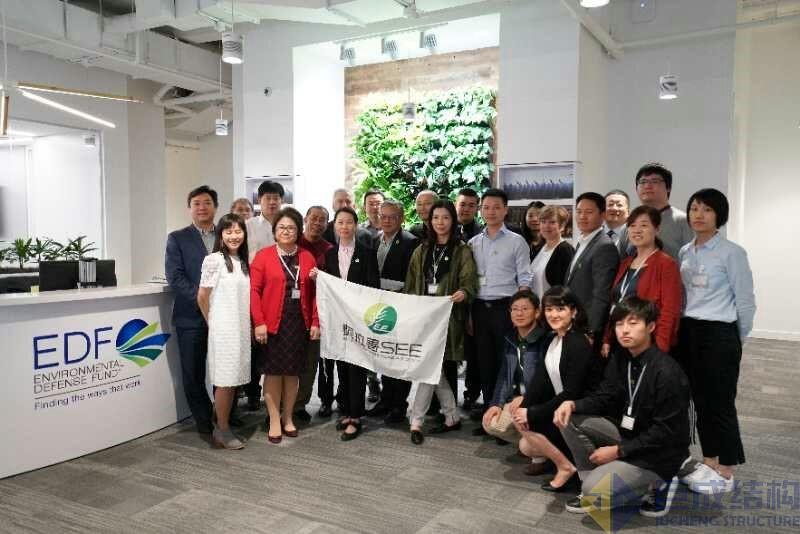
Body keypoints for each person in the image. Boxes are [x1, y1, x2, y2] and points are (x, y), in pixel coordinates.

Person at [554, 297, 691, 518]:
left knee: (595, 491)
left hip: (659, 453)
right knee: (567, 418)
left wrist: (618, 451)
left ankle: (661, 482)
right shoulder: (621, 358)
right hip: (629, 435)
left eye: (633, 323)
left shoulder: (667, 372)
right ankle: (590, 482)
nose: (624, 330)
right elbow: (604, 396)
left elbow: (665, 432)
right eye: (619, 324)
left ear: (651, 327)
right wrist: (572, 403)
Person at [678, 188, 756, 493]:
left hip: (720, 332)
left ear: (719, 215)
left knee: (720, 402)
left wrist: (737, 337)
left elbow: (745, 301)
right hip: (690, 331)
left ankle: (726, 469)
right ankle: (709, 461)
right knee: (699, 400)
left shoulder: (732, 252)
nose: (699, 215)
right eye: (694, 208)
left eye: (707, 209)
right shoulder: (686, 251)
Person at [510, 285, 600, 492]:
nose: (554, 314)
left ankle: (566, 467)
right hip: (561, 406)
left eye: (560, 309)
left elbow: (572, 393)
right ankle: (565, 464)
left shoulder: (577, 342)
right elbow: (539, 381)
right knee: (522, 428)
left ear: (573, 311)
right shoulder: (554, 339)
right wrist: (524, 408)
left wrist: (532, 412)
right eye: (549, 309)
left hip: (581, 411)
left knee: (528, 433)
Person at [404, 200, 479, 445]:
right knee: (433, 368)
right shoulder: (421, 250)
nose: (440, 222)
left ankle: (416, 421)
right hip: (425, 318)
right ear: (429, 221)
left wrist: (464, 292)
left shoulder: (462, 250)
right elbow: (411, 284)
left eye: (445, 217)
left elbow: (470, 281)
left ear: (453, 221)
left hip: (449, 318)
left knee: (430, 366)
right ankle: (451, 415)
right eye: (435, 218)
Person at [250, 207, 320, 444]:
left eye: (291, 227)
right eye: (281, 227)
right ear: (274, 231)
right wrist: (259, 322)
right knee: (272, 373)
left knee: (292, 373)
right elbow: (254, 292)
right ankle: (273, 419)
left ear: (298, 231)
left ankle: (288, 417)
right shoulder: (263, 256)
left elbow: (315, 294)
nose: (286, 231)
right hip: (272, 325)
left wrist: (315, 321)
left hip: (298, 324)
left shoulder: (308, 257)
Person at [468, 188, 532, 434]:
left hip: (506, 308)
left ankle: (506, 422)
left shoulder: (517, 241)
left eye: (496, 207)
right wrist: (470, 315)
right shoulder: (473, 243)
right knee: (485, 364)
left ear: (505, 210)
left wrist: (520, 312)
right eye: (486, 207)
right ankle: (489, 418)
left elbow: (524, 278)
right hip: (480, 309)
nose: (491, 212)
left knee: (508, 365)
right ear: (481, 210)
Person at [319, 207, 380, 441]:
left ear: (356, 225)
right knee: (342, 365)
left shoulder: (367, 253)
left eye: (349, 222)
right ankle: (346, 411)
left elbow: (373, 288)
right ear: (334, 226)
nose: (344, 226)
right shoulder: (329, 254)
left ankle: (356, 416)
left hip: (359, 319)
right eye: (340, 222)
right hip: (337, 319)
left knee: (356, 367)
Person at [165, 185, 218, 434]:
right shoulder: (177, 238)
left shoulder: (227, 235)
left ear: (215, 207)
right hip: (191, 317)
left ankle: (225, 414)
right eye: (196, 203)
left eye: (207, 203)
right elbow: (175, 277)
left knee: (224, 368)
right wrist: (202, 299)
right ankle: (204, 421)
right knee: (193, 372)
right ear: (189, 209)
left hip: (223, 315)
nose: (202, 207)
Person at [197, 214, 251, 450]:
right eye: (228, 232)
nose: (234, 236)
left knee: (232, 381)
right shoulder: (214, 260)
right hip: (223, 330)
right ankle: (222, 429)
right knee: (225, 381)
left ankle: (223, 423)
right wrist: (213, 322)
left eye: (238, 231)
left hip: (241, 329)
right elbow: (202, 296)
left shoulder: (243, 261)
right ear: (220, 235)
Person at [481, 289, 548, 474]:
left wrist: (527, 398)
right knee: (491, 423)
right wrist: (496, 404)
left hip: (541, 401)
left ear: (537, 312)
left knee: (526, 445)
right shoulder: (511, 338)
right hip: (518, 399)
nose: (519, 313)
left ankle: (541, 455)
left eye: (525, 309)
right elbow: (504, 375)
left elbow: (546, 380)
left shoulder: (545, 340)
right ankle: (532, 442)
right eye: (515, 309)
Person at [601, 206, 682, 357]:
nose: (637, 230)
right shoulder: (625, 263)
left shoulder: (666, 264)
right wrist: (607, 337)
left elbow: (670, 311)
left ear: (657, 230)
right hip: (620, 338)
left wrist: (660, 348)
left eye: (644, 225)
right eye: (632, 225)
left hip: (648, 342)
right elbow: (615, 303)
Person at [366, 199, 419, 421]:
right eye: (383, 216)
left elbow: (413, 276)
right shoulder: (373, 240)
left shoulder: (411, 242)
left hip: (401, 306)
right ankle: (385, 400)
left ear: (402, 218)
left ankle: (399, 404)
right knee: (384, 355)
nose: (387, 221)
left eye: (392, 217)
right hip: (377, 307)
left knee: (400, 356)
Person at [243, 180, 284, 411]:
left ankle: (276, 394)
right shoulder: (248, 226)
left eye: (276, 198)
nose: (272, 202)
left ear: (282, 200)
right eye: (267, 197)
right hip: (255, 292)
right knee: (254, 345)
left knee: (275, 345)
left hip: (280, 294)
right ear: (259, 200)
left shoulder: (286, 225)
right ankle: (252, 392)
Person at [565, 192, 620, 348]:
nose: (582, 216)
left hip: (587, 327)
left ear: (602, 215)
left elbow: (602, 293)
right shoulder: (582, 241)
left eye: (589, 212)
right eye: (579, 212)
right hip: (573, 322)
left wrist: (591, 330)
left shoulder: (604, 246)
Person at [294, 206, 333, 422]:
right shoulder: (293, 243)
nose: (317, 223)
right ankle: (282, 404)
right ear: (305, 219)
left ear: (327, 224)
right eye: (314, 218)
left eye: (322, 220)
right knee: (288, 361)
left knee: (310, 363)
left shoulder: (329, 250)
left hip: (318, 312)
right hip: (291, 311)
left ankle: (300, 403)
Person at [618, 163, 694, 260]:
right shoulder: (628, 225)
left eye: (655, 181)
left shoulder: (684, 221)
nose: (647, 186)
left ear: (668, 188)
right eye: (643, 181)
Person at [454, 187, 483, 409]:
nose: (466, 209)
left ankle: (472, 395)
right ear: (456, 204)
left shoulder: (481, 234)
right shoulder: (445, 227)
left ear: (477, 208)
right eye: (462, 204)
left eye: (471, 205)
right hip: (449, 300)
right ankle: (446, 399)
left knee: (474, 353)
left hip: (473, 299)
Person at [529, 205, 574, 300]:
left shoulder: (565, 250)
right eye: (543, 222)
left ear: (562, 226)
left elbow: (566, 287)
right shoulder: (539, 248)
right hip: (536, 305)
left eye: (552, 222)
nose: (546, 226)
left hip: (553, 306)